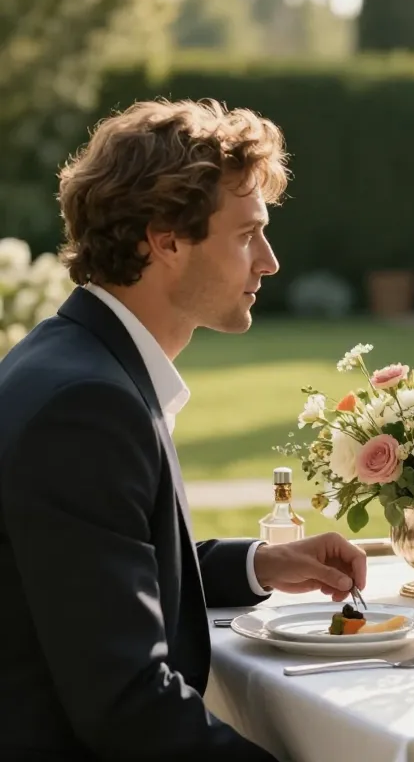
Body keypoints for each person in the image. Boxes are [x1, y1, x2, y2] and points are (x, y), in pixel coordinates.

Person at [0, 99, 368, 760]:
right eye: (246, 233)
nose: (270, 261)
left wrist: (260, 564)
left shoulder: (73, 362)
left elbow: (101, 570)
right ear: (165, 237)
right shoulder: (87, 406)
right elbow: (127, 707)